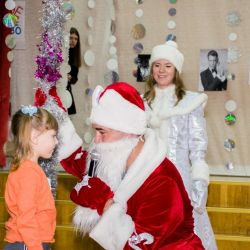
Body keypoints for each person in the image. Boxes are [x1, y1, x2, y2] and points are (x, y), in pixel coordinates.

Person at [58, 82, 204, 249]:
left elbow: (138, 244)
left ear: (129, 131)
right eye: (95, 132)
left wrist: (102, 202)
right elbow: (78, 162)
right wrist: (54, 116)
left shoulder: (162, 180)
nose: (96, 140)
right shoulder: (115, 158)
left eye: (102, 132)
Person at [143, 41, 217, 250]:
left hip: (180, 179)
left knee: (184, 236)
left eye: (168, 65)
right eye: (157, 65)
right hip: (147, 178)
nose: (162, 70)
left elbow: (198, 145)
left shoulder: (190, 102)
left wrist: (200, 181)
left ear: (176, 69)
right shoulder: (142, 102)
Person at [3, 105, 58, 250]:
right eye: (53, 135)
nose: (56, 142)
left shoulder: (27, 169)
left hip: (29, 242)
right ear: (34, 137)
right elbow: (26, 217)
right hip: (28, 243)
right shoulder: (28, 173)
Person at [67, 27, 82, 115]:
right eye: (71, 38)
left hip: (67, 90)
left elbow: (75, 79)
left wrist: (70, 77)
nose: (73, 41)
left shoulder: (75, 56)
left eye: (76, 39)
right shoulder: (61, 52)